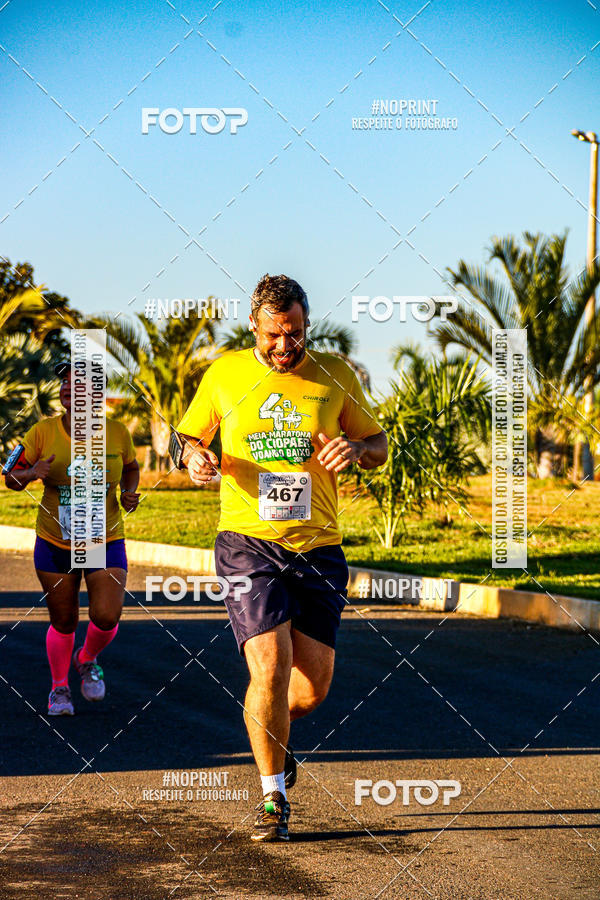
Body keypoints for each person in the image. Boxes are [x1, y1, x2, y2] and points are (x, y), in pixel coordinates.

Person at [174, 274, 387, 841]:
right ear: (254, 327)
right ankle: (273, 798)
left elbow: (379, 445)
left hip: (319, 548)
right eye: (273, 336)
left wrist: (357, 448)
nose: (284, 347)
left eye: (294, 334)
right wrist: (194, 458)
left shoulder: (335, 375)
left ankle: (272, 738)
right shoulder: (224, 375)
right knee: (267, 668)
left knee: (309, 692)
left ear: (305, 324)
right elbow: (188, 438)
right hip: (249, 545)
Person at [3, 361, 140, 715]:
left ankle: (87, 658)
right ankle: (59, 688)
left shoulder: (117, 432)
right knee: (63, 620)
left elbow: (131, 468)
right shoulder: (42, 432)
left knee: (107, 615)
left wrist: (129, 492)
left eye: (77, 384)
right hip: (55, 542)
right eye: (65, 383)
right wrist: (33, 472)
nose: (68, 389)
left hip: (103, 540)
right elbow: (10, 477)